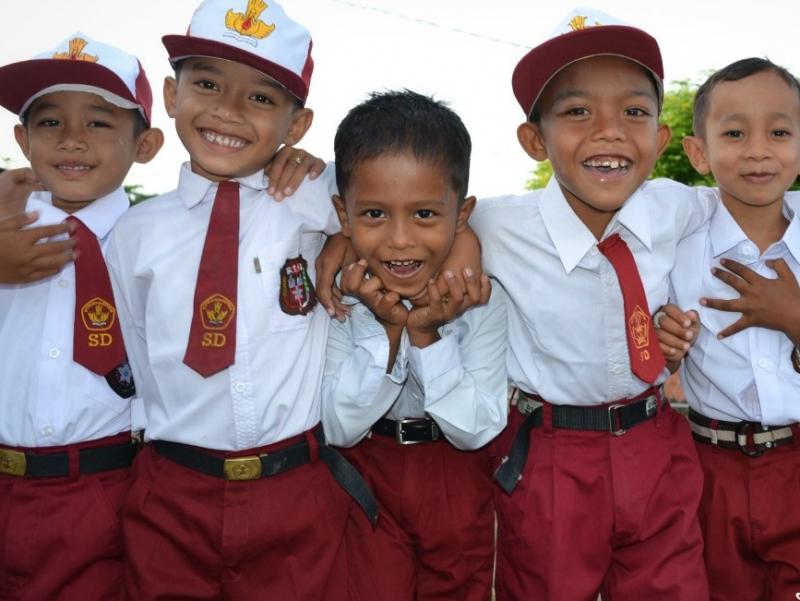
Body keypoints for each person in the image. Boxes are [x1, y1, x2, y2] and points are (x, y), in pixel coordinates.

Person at [105, 1, 375, 599]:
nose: (227, 110)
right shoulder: (134, 233)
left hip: (294, 488)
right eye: (206, 84)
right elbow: (141, 356)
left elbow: (401, 211)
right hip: (174, 489)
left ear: (295, 127)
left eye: (260, 98)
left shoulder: (314, 196)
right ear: (172, 95)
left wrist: (344, 230)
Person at [470, 9, 716, 600]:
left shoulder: (676, 206)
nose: (609, 131)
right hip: (551, 455)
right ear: (535, 140)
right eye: (578, 112)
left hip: (656, 439)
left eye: (634, 112)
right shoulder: (492, 226)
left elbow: (760, 198)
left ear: (659, 138)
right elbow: (397, 214)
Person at [322, 90, 507, 600]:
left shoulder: (484, 302)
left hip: (456, 475)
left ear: (461, 213)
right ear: (343, 215)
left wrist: (424, 334)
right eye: (374, 215)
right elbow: (338, 425)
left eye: (425, 214)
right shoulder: (341, 300)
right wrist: (386, 328)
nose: (400, 240)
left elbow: (477, 429)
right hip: (364, 472)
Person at [0, 33, 163, 600]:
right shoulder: (4, 225)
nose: (71, 140)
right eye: (48, 123)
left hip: (111, 486)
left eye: (98, 122)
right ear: (22, 139)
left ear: (144, 146)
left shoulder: (164, 239)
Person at [655, 57, 800, 601]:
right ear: (699, 152)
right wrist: (666, 346)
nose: (759, 149)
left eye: (780, 131)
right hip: (709, 466)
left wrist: (795, 317)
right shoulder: (675, 246)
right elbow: (649, 353)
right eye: (735, 133)